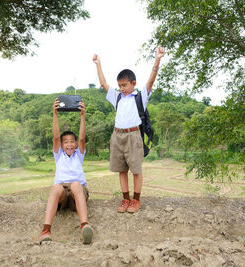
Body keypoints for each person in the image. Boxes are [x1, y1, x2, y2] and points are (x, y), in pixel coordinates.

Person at [92, 46, 165, 213]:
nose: (122, 88)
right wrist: (98, 63)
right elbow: (103, 83)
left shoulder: (140, 97)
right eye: (120, 85)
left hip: (133, 135)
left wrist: (157, 60)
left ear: (133, 83)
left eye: (125, 85)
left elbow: (151, 81)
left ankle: (136, 200)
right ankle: (125, 199)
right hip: (117, 135)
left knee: (136, 170)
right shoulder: (117, 97)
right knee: (121, 169)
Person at [39, 98, 93, 244]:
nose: (69, 144)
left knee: (75, 184)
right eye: (66, 142)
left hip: (78, 192)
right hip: (63, 193)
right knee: (56, 187)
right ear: (62, 145)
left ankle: (84, 226)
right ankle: (46, 230)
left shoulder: (79, 155)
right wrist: (55, 114)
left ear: (75, 144)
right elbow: (56, 136)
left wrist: (83, 116)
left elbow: (82, 137)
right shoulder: (59, 155)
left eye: (72, 141)